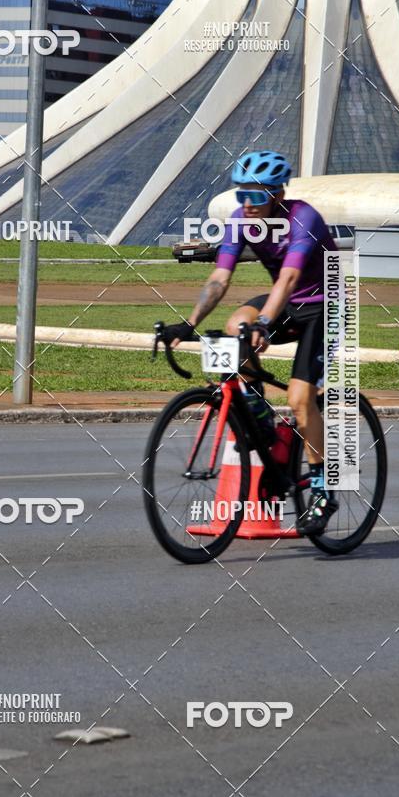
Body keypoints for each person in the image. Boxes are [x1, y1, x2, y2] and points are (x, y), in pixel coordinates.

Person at [162, 149, 338, 535]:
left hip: (326, 305)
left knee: (299, 398)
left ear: (277, 194)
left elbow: (290, 279)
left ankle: (324, 490)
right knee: (233, 325)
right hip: (287, 302)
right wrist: (187, 323)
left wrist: (263, 321)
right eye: (242, 195)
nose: (248, 204)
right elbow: (220, 279)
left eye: (256, 196)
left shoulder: (302, 217)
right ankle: (259, 416)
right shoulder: (242, 220)